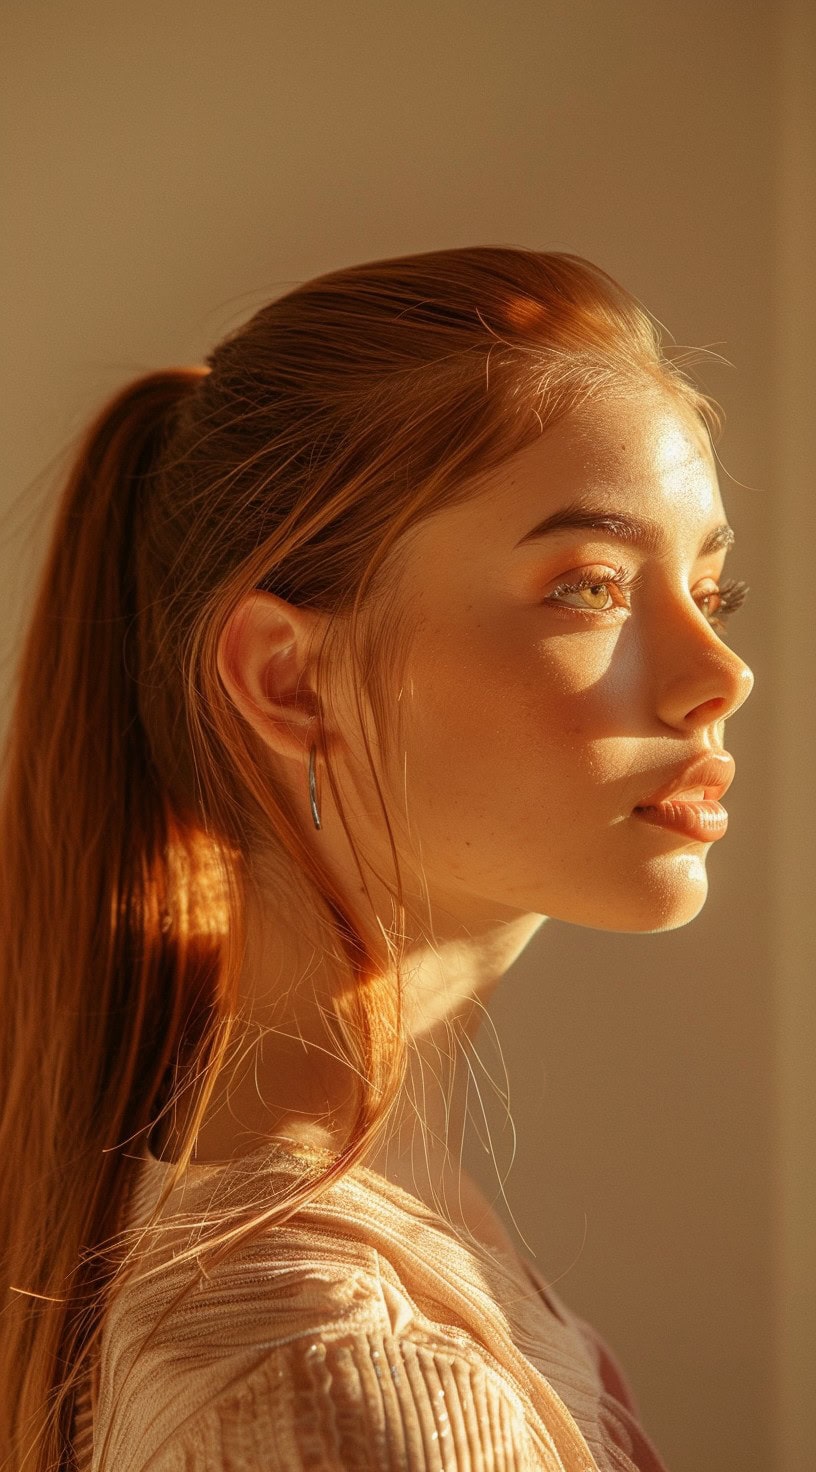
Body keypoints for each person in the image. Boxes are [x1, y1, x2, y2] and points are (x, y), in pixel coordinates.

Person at [0, 246, 754, 1472]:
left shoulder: (408, 1246)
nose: (721, 676)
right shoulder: (343, 1370)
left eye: (714, 590)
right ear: (289, 677)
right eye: (592, 585)